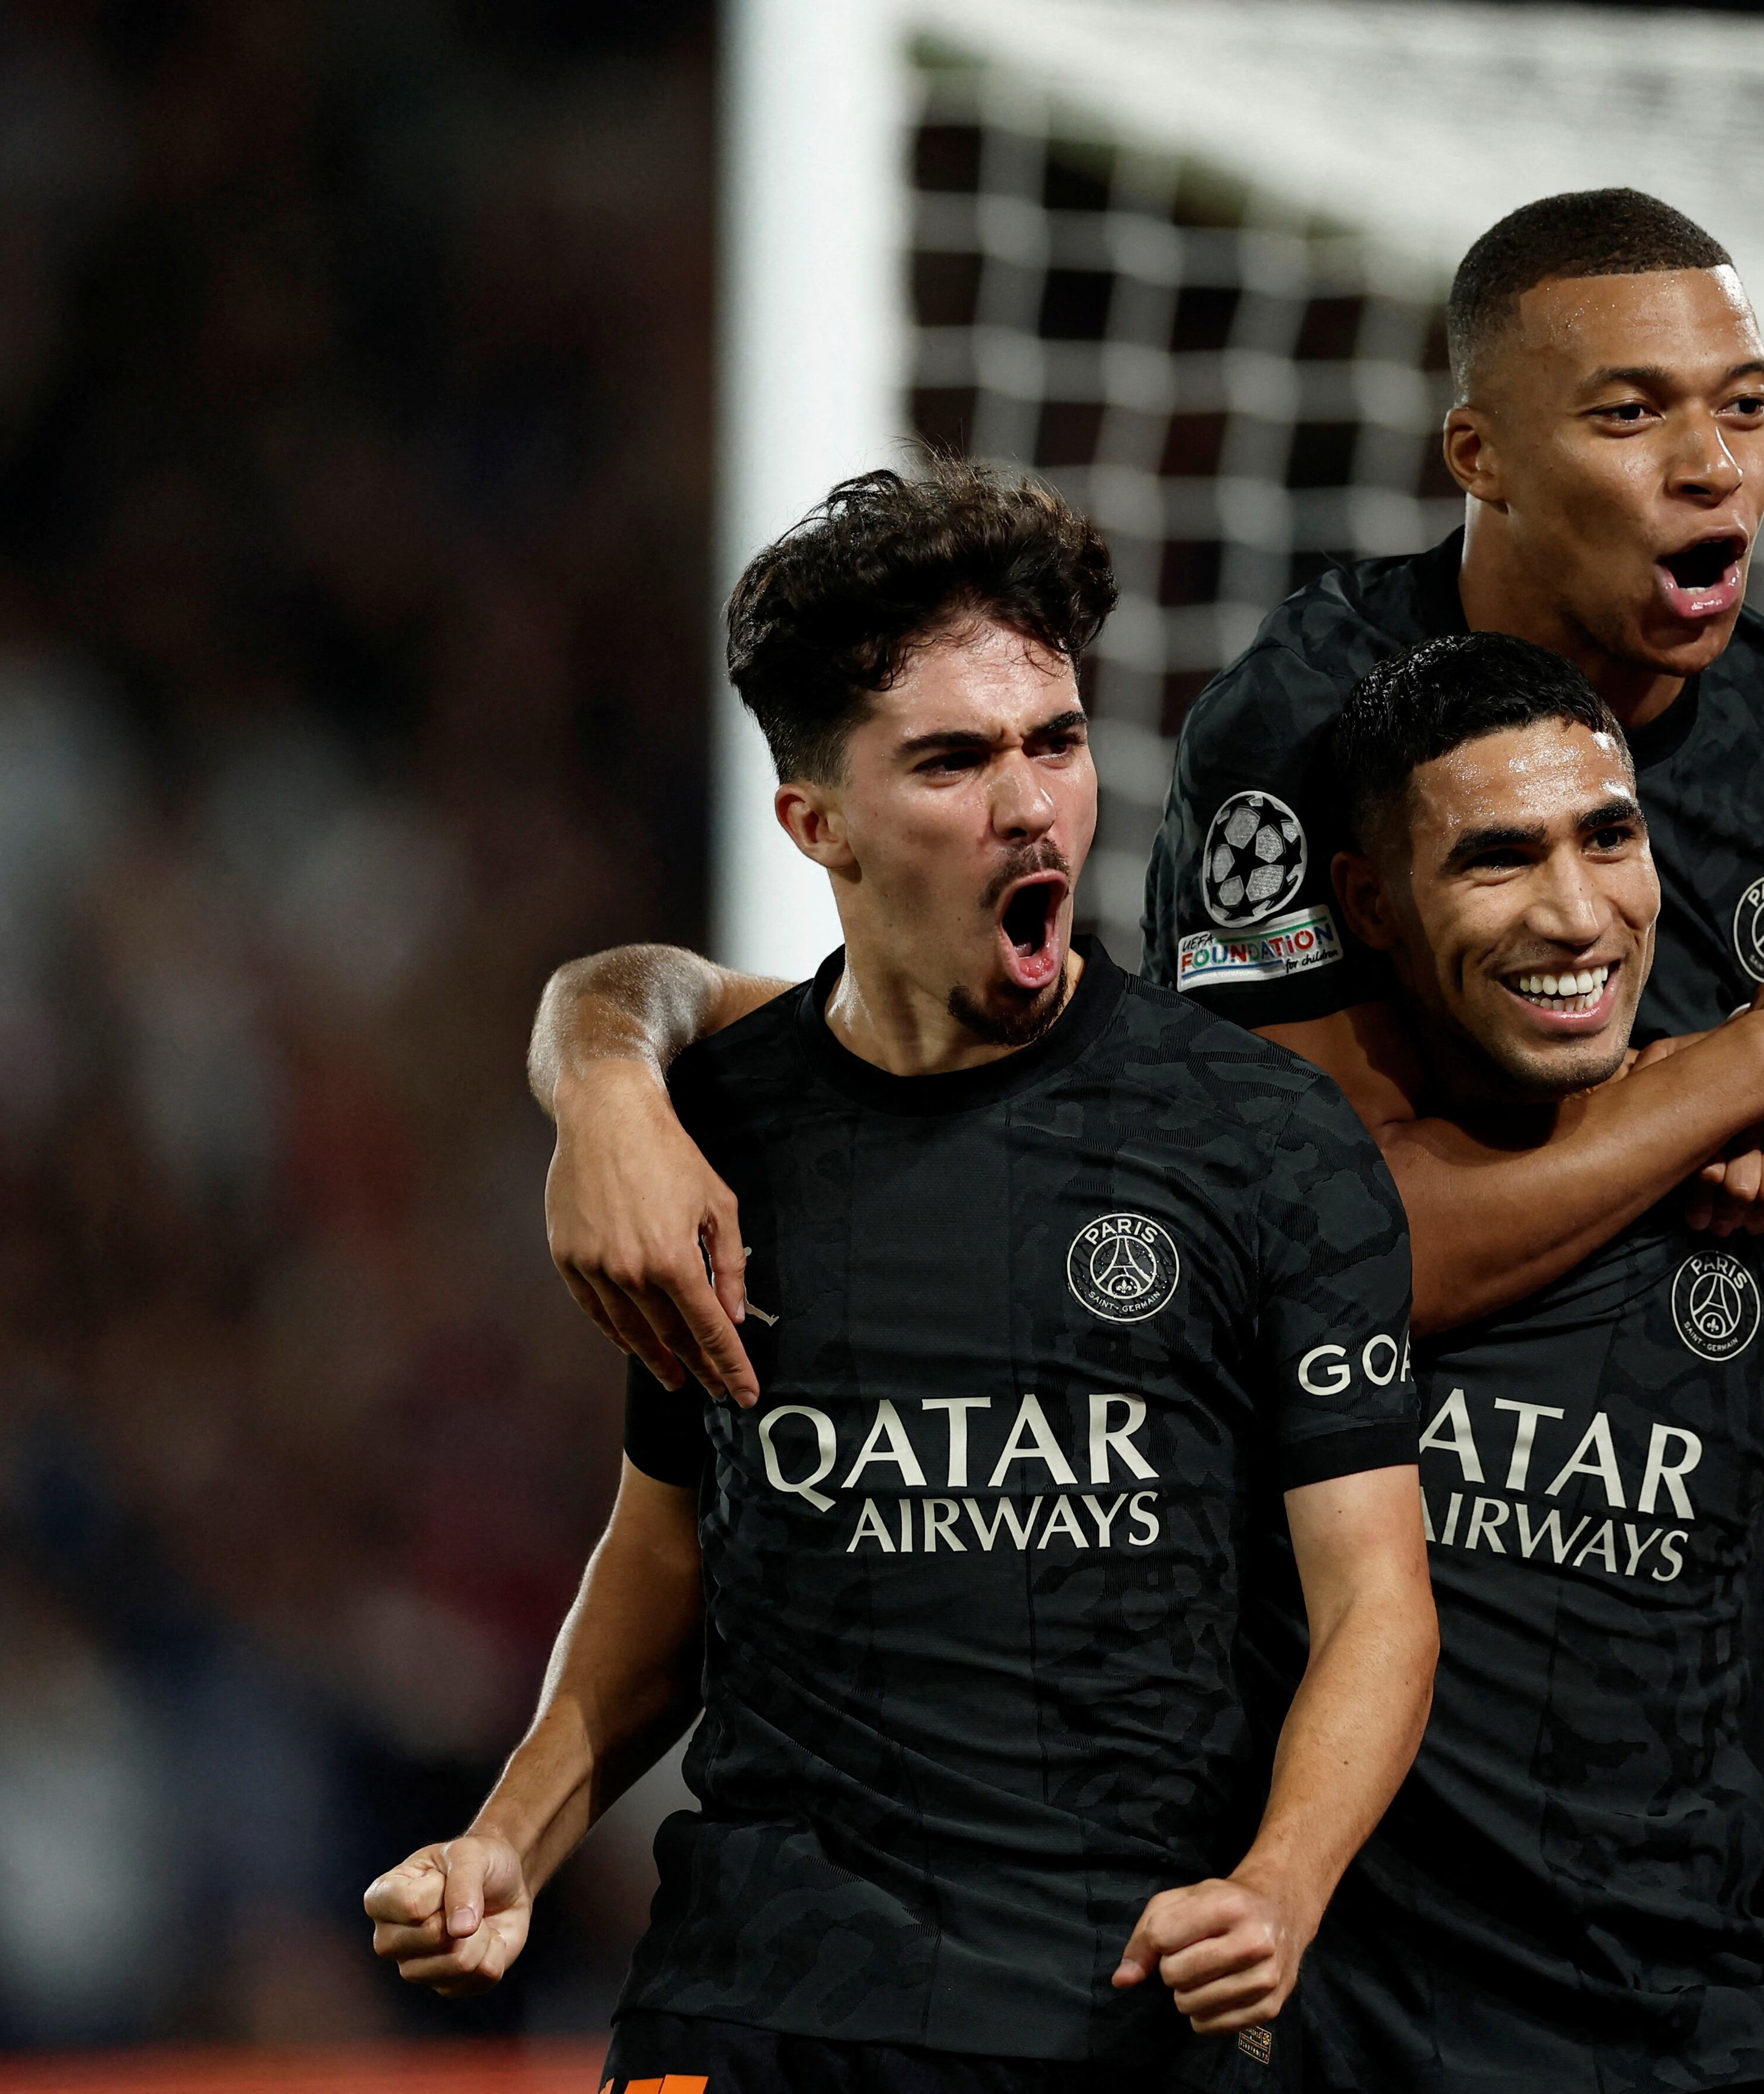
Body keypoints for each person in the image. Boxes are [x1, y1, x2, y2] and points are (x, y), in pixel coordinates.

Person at [526, 193, 1764, 2062]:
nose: (1716, 466)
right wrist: (600, 1065)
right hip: (1333, 1493)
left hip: (1666, 1483)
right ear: (1482, 452)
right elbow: (1306, 1227)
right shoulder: (1301, 726)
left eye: (1748, 405)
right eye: (1633, 415)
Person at [365, 465, 1440, 2094]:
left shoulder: (1255, 1139)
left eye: (1056, 742)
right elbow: (670, 1549)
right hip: (761, 2006)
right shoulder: (719, 1128)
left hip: (1113, 2016)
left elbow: (1377, 1597)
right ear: (818, 824)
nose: (1031, 805)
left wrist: (1281, 1885)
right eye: (953, 758)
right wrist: (509, 1838)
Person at [1167, 633, 1764, 2094]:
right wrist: (656, 1062)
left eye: (1610, 838)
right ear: (1366, 903)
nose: (1572, 912)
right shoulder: (1216, 1188)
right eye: (1496, 859)